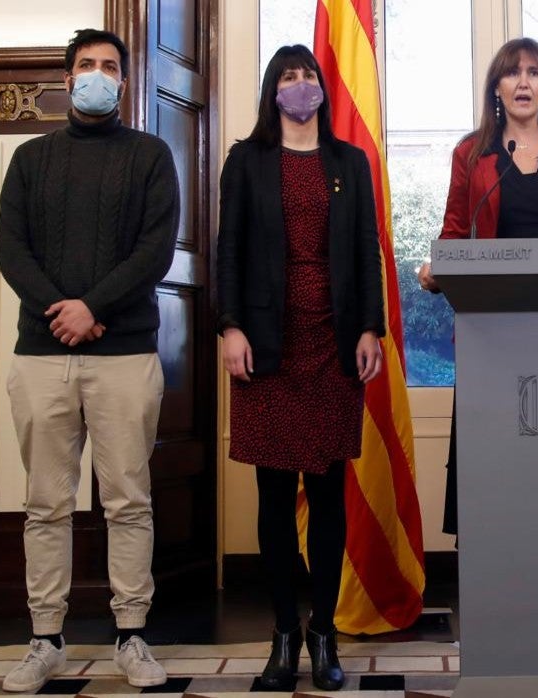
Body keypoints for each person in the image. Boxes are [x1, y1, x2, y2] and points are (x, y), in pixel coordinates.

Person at [0, 28, 178, 692]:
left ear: (123, 83)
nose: (97, 74)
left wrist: (93, 306)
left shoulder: (152, 155)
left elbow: (155, 251)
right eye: (86, 66)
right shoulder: (30, 158)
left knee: (129, 500)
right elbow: (11, 251)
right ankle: (46, 638)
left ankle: (133, 635)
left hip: (126, 354)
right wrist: (62, 311)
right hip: (42, 355)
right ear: (68, 79)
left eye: (109, 66)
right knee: (46, 503)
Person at [215, 45, 385, 691]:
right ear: (272, 90)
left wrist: (371, 325)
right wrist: (229, 326)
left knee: (330, 495)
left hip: (334, 343)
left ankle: (324, 633)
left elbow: (367, 250)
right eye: (287, 76)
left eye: (308, 75)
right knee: (273, 497)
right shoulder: (246, 160)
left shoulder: (349, 162)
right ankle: (283, 634)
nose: (299, 85)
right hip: (265, 346)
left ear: (320, 88)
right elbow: (227, 248)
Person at [416, 37, 538, 536]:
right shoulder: (472, 152)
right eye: (512, 73)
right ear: (496, 88)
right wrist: (437, 267)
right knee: (495, 460)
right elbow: (457, 232)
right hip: (492, 333)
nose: (523, 82)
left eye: (534, 72)